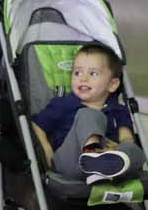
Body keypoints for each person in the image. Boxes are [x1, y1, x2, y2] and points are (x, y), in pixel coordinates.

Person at [30, 42, 137, 183]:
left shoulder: (118, 109)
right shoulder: (64, 104)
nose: (83, 78)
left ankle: (108, 165)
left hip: (108, 158)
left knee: (135, 152)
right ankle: (92, 155)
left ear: (112, 84)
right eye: (77, 72)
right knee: (88, 114)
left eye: (93, 73)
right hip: (71, 162)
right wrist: (47, 149)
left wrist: (118, 149)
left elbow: (127, 139)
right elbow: (36, 125)